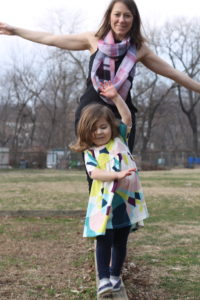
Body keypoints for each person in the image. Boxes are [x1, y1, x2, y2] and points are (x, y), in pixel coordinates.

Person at [1, 0, 200, 154]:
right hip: (89, 113)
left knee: (122, 172)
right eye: (118, 14)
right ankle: (98, 209)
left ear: (134, 19)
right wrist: (16, 30)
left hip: (122, 117)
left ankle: (120, 209)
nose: (122, 20)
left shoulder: (139, 50)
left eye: (127, 15)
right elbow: (51, 39)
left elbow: (174, 73)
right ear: (110, 17)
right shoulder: (93, 39)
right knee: (96, 175)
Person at [70, 81, 149, 295]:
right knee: (103, 240)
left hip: (124, 201)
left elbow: (127, 117)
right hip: (103, 203)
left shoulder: (119, 138)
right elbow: (94, 174)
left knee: (121, 241)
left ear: (110, 127)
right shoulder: (90, 152)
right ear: (86, 132)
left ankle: (115, 275)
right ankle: (103, 278)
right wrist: (116, 175)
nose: (99, 132)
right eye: (93, 129)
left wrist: (115, 97)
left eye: (103, 127)